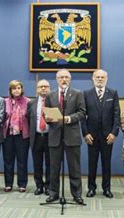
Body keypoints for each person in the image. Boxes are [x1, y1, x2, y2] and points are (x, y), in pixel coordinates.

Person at [44, 69, 86, 205]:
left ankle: (77, 195)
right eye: (61, 77)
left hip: (72, 136)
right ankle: (54, 193)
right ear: (56, 79)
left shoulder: (78, 93)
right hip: (55, 136)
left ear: (70, 79)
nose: (63, 80)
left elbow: (82, 112)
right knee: (54, 168)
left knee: (74, 168)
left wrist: (68, 118)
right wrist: (48, 118)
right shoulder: (50, 95)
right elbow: (46, 115)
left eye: (66, 77)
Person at [82, 69, 120, 198]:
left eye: (102, 77)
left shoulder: (113, 93)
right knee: (92, 163)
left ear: (106, 79)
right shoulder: (86, 94)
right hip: (91, 136)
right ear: (93, 78)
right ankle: (91, 188)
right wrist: (85, 133)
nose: (99, 79)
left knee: (106, 163)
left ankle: (107, 189)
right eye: (97, 77)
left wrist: (114, 133)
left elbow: (117, 116)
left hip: (107, 136)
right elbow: (82, 116)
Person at [2, 80, 30, 193]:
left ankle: (22, 184)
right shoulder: (5, 102)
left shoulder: (28, 102)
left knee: (22, 160)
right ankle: (8, 183)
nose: (16, 90)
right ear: (10, 90)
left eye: (18, 88)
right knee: (8, 160)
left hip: (22, 135)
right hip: (8, 134)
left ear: (22, 89)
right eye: (14, 88)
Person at [28, 79, 51, 196]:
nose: (43, 89)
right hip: (36, 137)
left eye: (46, 86)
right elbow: (28, 120)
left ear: (49, 88)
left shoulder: (54, 102)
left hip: (50, 137)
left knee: (49, 164)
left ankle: (48, 186)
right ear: (37, 89)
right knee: (37, 164)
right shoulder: (31, 103)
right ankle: (39, 186)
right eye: (41, 86)